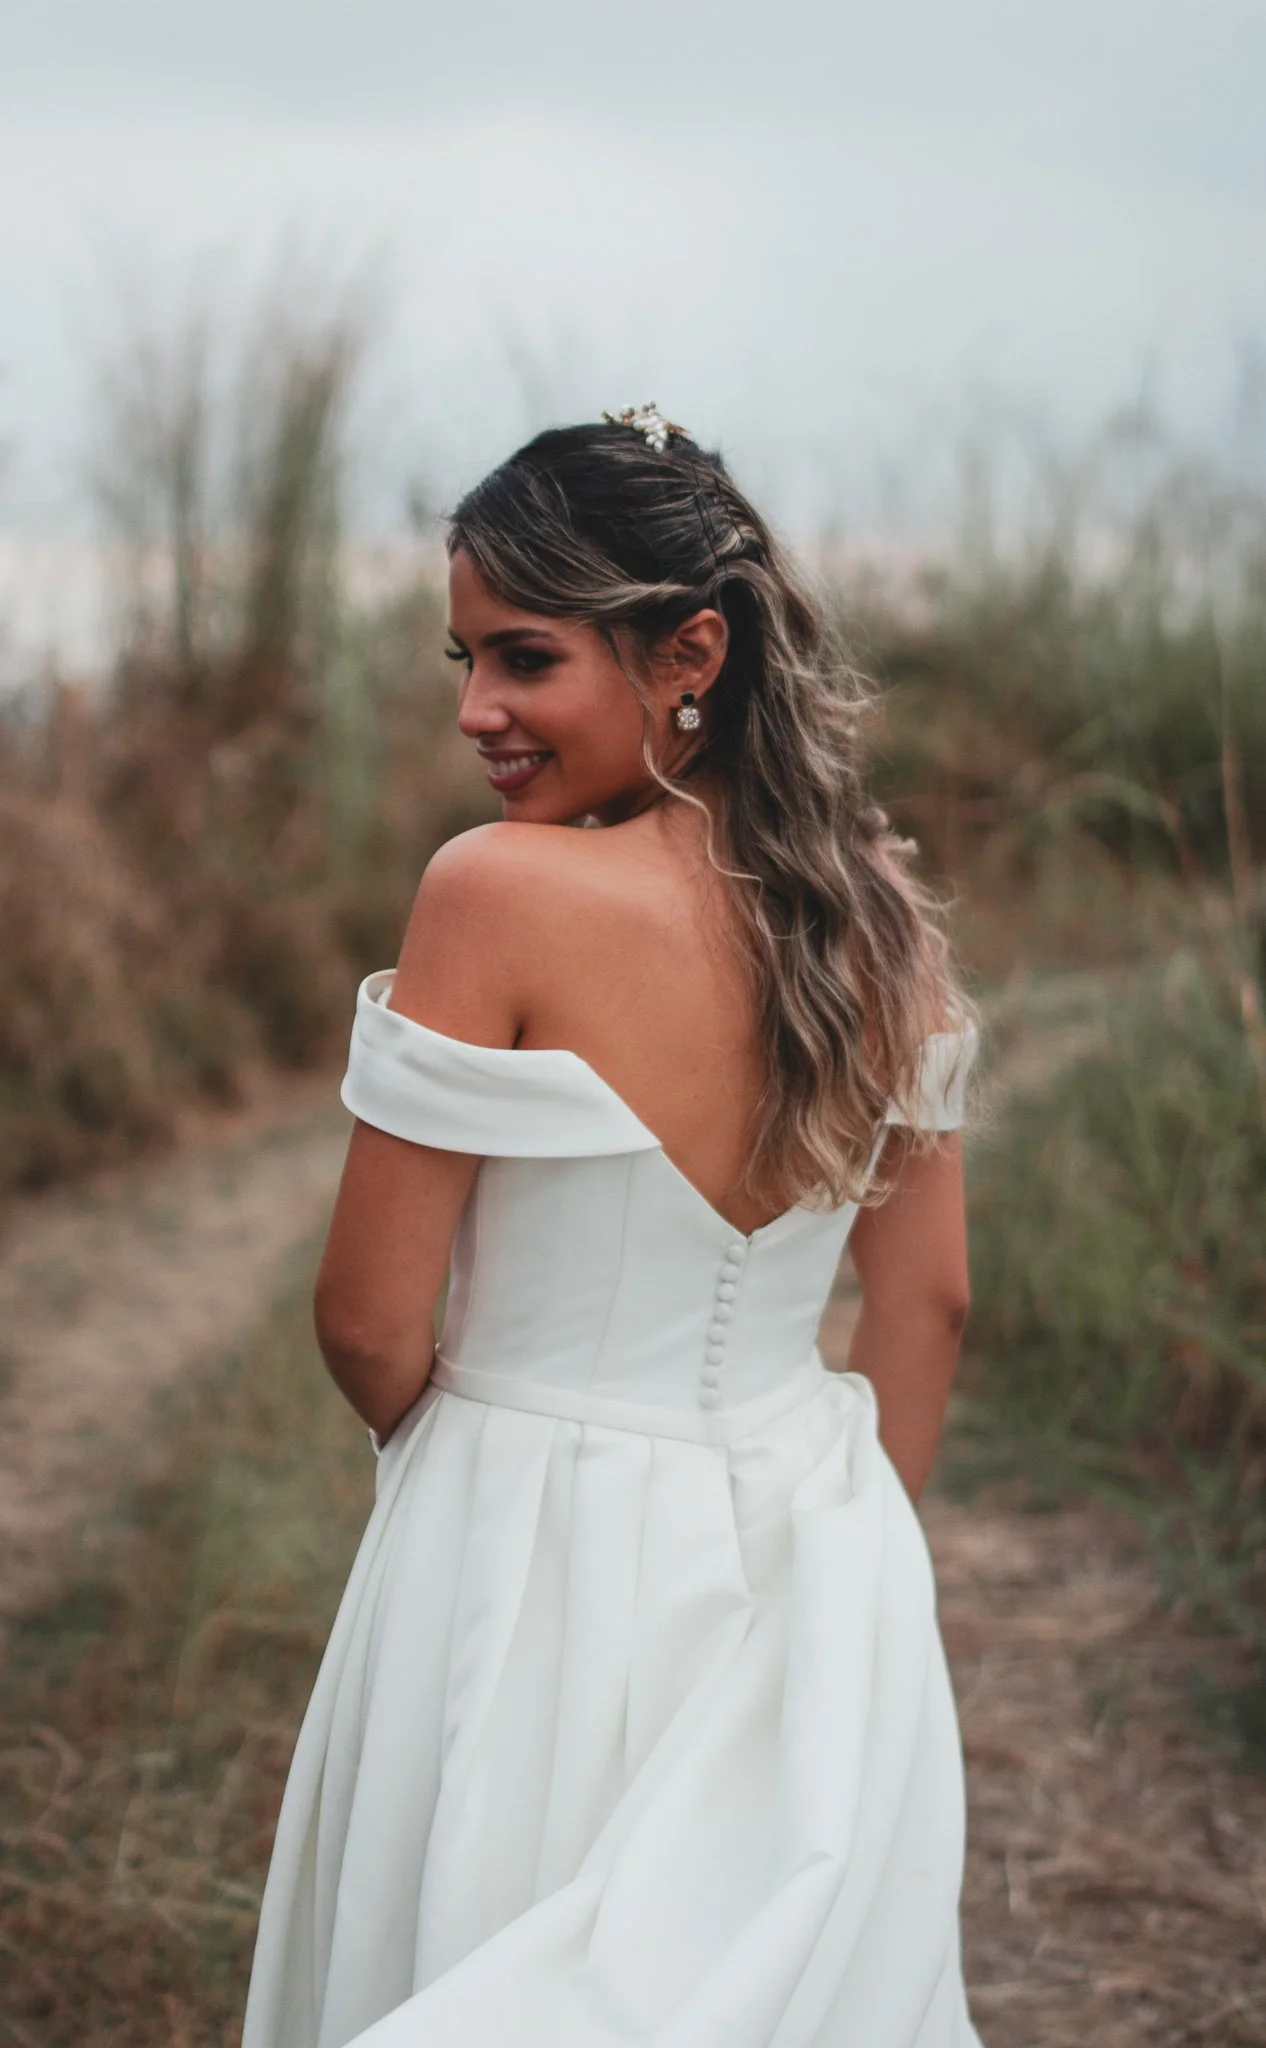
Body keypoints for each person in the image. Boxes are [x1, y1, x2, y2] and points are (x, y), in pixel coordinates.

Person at [242, 404, 983, 2048]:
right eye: (461, 660)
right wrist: (859, 1561)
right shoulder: (893, 937)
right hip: (810, 1534)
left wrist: (482, 1474)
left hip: (519, 1533)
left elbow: (367, 1319)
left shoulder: (495, 891)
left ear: (687, 652)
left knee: (486, 1935)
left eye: (522, 659)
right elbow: (923, 1307)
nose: (474, 712)